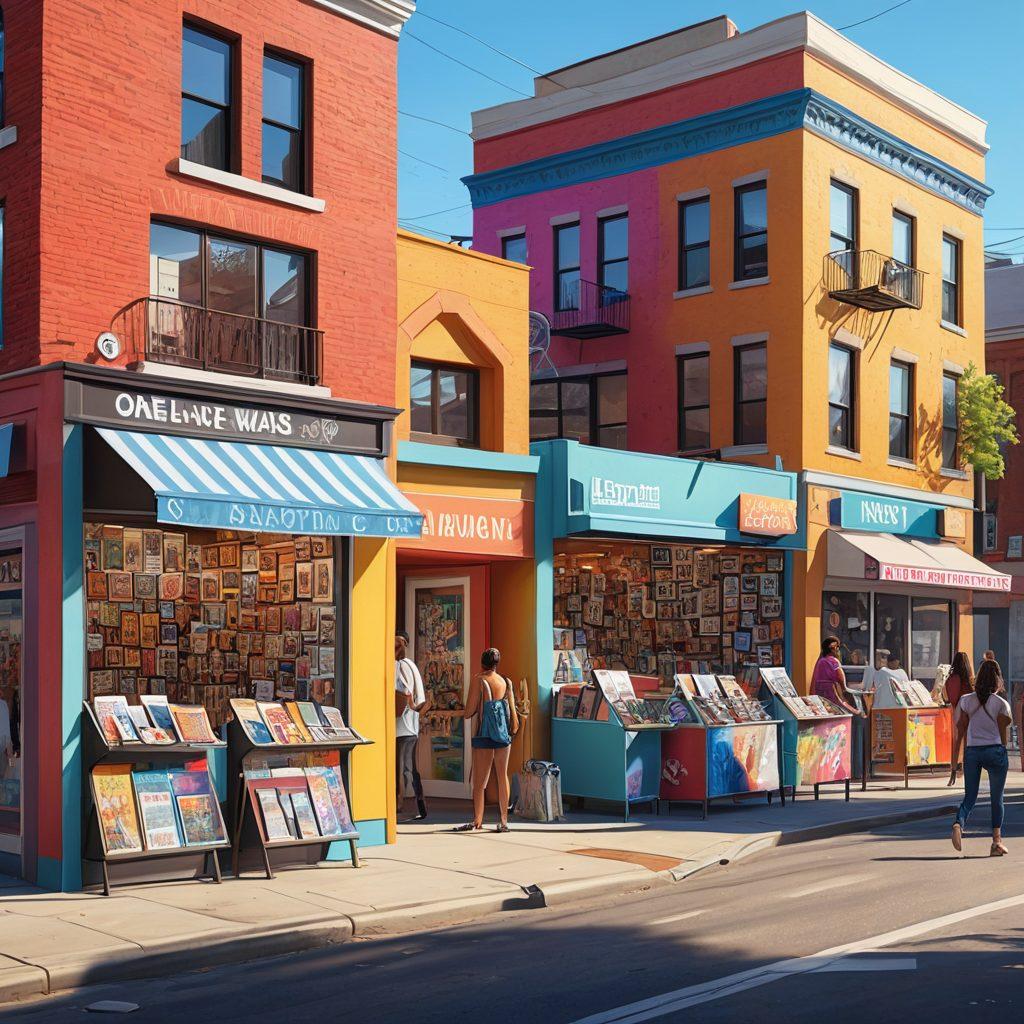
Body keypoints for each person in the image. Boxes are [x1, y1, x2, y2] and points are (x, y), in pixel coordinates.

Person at [454, 648, 519, 834]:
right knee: (501, 776)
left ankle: (478, 820)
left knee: (480, 782)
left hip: (484, 734)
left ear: (482, 663)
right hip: (503, 735)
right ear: (497, 663)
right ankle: (504, 821)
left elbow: (469, 712)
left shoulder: (479, 680)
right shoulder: (506, 681)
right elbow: (513, 714)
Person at [951, 659, 1012, 856]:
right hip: (995, 751)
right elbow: (1005, 735)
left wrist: (955, 762)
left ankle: (958, 824)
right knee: (997, 798)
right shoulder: (1001, 704)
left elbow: (959, 729)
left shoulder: (965, 701)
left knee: (970, 796)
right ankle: (996, 842)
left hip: (973, 751)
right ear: (997, 680)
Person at [811, 637, 867, 776]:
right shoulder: (833, 662)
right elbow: (843, 684)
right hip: (834, 698)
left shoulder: (819, 662)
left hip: (821, 701)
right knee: (857, 715)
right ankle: (855, 769)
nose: (838, 650)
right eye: (836, 648)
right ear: (832, 648)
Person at [395, 631, 427, 821]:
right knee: (408, 767)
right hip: (411, 723)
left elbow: (405, 691)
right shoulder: (412, 665)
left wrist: (410, 705)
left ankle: (402, 803)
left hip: (402, 723)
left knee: (404, 767)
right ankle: (419, 806)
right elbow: (419, 696)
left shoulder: (400, 665)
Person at [945, 651, 976, 787]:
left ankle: (953, 771)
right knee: (968, 743)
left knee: (957, 742)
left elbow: (949, 697)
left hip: (957, 710)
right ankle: (966, 770)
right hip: (970, 712)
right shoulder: (970, 679)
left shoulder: (952, 678)